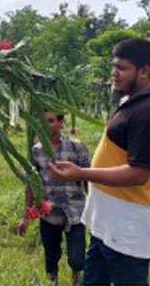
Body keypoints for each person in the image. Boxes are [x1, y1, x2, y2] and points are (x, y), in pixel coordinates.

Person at [48, 38, 150, 285]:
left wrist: (81, 174)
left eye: (122, 68)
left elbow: (139, 174)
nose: (114, 74)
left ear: (144, 71)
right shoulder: (131, 103)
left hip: (129, 226)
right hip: (107, 222)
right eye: (113, 67)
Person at [18, 112, 90, 286]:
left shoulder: (77, 147)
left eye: (50, 121)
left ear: (61, 123)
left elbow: (89, 179)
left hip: (75, 211)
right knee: (51, 256)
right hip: (49, 212)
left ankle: (75, 280)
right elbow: (31, 182)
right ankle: (53, 282)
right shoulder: (36, 150)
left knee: (77, 259)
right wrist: (25, 215)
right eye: (42, 121)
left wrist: (96, 209)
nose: (45, 124)